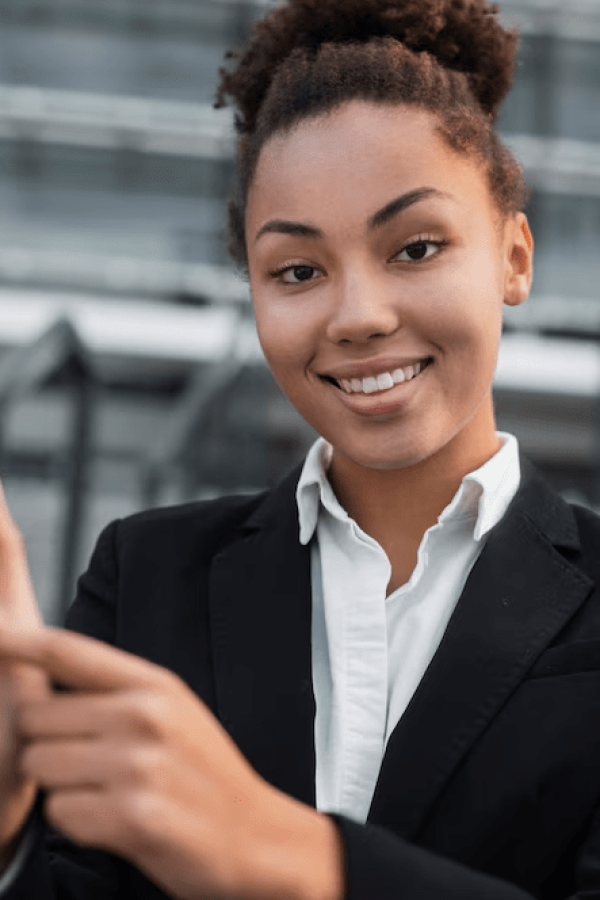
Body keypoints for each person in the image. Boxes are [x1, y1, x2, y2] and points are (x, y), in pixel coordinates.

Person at [0, 0, 598, 897]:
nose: (357, 315)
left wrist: (279, 850)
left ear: (515, 257)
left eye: (417, 247)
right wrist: (9, 814)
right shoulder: (148, 574)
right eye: (297, 271)